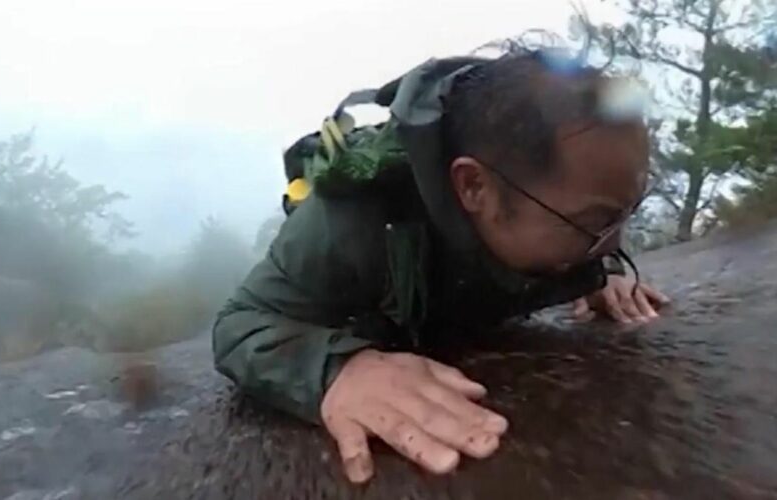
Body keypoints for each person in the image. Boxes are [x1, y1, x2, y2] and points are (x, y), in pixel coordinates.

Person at [212, 49, 670, 484]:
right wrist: (337, 369)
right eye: (597, 222)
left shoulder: (557, 212)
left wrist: (600, 273)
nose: (616, 240)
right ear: (474, 187)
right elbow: (242, 324)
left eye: (628, 213)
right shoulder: (351, 222)